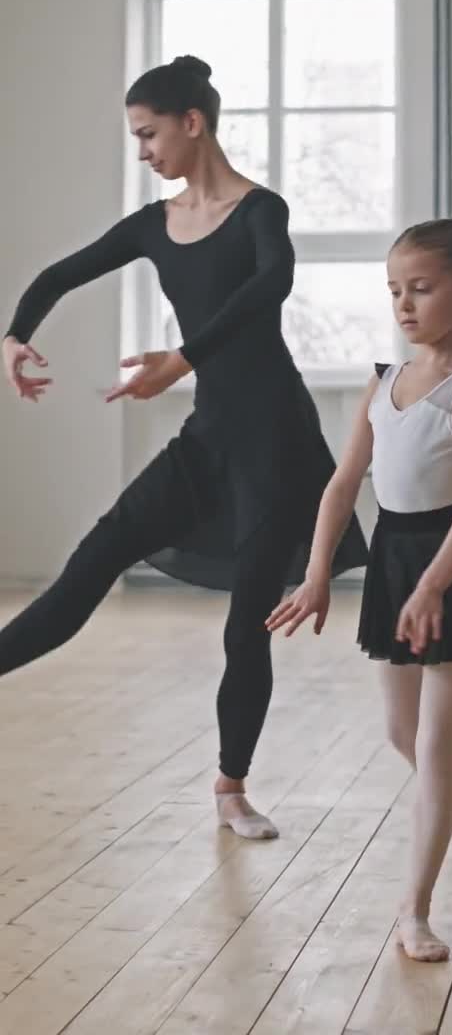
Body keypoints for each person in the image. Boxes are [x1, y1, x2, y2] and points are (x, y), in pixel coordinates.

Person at [1, 55, 367, 841]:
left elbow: (271, 285)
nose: (143, 151)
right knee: (90, 565)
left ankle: (231, 789)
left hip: (276, 441)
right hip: (207, 437)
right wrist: (14, 337)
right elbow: (60, 275)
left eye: (148, 134)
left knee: (247, 625)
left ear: (191, 123)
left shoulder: (262, 210)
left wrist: (184, 356)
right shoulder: (151, 225)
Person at [267, 214, 452, 959]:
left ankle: (413, 910)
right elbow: (344, 483)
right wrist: (317, 575)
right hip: (392, 563)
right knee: (401, 733)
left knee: (436, 744)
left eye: (421, 288)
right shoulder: (382, 382)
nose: (404, 304)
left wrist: (436, 583)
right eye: (394, 291)